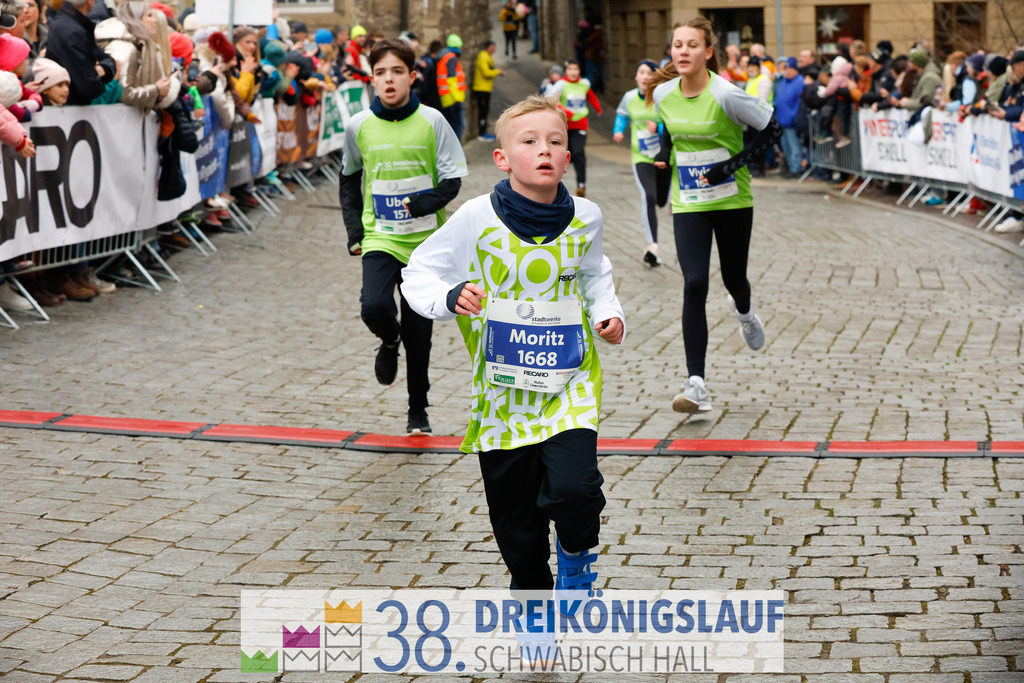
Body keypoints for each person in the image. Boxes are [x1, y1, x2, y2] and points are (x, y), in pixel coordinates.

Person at [400, 97, 624, 665]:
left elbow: (595, 272)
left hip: (569, 384)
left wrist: (608, 312)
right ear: (502, 157)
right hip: (501, 395)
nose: (543, 150)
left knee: (575, 490)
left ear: (568, 157)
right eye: (529, 141)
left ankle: (576, 552)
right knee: (517, 526)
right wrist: (450, 297)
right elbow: (419, 271)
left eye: (553, 141)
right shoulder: (475, 217)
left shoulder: (587, 215)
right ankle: (533, 607)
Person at [648, 17, 780, 413]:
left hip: (732, 200)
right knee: (693, 283)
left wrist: (733, 164)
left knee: (733, 277)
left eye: (692, 45)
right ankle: (696, 383)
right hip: (689, 201)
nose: (683, 51)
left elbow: (771, 128)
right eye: (677, 45)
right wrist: (663, 154)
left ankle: (745, 312)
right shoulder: (664, 94)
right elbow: (671, 129)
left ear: (708, 52)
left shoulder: (727, 94)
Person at [339, 38, 467, 435]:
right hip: (381, 237)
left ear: (412, 76)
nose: (389, 80)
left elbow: (452, 181)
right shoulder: (358, 125)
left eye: (397, 72)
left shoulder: (433, 121)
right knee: (374, 306)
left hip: (426, 245)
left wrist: (422, 203)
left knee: (421, 335)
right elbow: (349, 180)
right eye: (381, 73)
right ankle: (388, 340)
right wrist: (354, 232)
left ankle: (418, 411)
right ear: (372, 79)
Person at [613, 59, 669, 266]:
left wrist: (659, 128)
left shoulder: (661, 98)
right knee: (649, 195)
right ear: (636, 76)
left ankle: (664, 203)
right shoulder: (629, 98)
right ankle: (652, 244)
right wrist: (618, 130)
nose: (646, 76)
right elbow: (622, 115)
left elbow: (671, 124)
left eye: (650, 73)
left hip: (663, 156)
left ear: (656, 78)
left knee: (661, 199)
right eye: (642, 72)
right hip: (641, 157)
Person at [45, 0, 117, 106]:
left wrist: (104, 69)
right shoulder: (73, 31)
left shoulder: (73, 25)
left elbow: (108, 59)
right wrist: (100, 72)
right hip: (69, 109)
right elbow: (89, 87)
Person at [547, 59, 601, 196]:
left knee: (578, 152)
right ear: (566, 71)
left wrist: (597, 107)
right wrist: (565, 111)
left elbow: (590, 95)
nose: (573, 72)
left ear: (579, 71)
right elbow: (552, 101)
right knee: (561, 154)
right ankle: (552, 184)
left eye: (576, 69)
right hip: (563, 125)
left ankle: (581, 185)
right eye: (570, 69)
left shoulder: (584, 83)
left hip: (580, 123)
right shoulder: (561, 84)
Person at [775, 57, 805, 177]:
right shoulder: (784, 81)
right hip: (782, 120)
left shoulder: (799, 81)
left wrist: (794, 115)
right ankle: (791, 166)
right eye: (786, 69)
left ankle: (796, 168)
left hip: (792, 121)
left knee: (794, 146)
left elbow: (799, 101)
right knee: (786, 146)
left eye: (790, 69)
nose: (787, 71)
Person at [435, 33, 466, 140]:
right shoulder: (451, 58)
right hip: (453, 98)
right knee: (459, 126)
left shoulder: (443, 56)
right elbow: (452, 80)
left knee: (451, 127)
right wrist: (457, 98)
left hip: (446, 98)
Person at [472, 40, 501, 140]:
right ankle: (481, 133)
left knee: (485, 111)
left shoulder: (487, 57)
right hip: (481, 88)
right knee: (483, 111)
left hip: (486, 88)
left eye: (494, 47)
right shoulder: (483, 56)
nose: (494, 49)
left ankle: (483, 131)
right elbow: (486, 72)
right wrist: (498, 71)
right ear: (487, 47)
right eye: (492, 47)